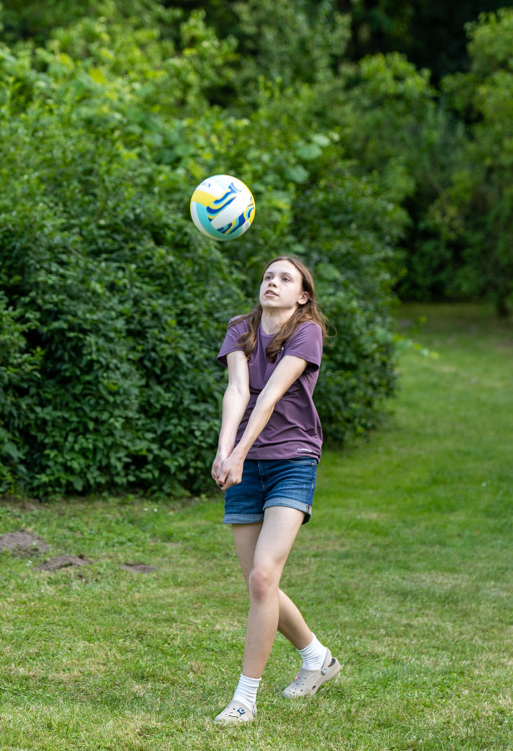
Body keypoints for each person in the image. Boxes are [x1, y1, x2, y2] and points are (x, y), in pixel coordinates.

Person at [211, 255, 339, 724]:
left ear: (302, 295)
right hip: (247, 464)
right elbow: (237, 392)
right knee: (258, 583)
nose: (273, 283)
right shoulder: (240, 328)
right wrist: (225, 450)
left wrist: (238, 454)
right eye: (268, 276)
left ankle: (245, 699)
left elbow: (270, 394)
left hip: (292, 459)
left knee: (264, 577)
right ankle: (317, 658)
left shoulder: (307, 331)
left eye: (286, 279)